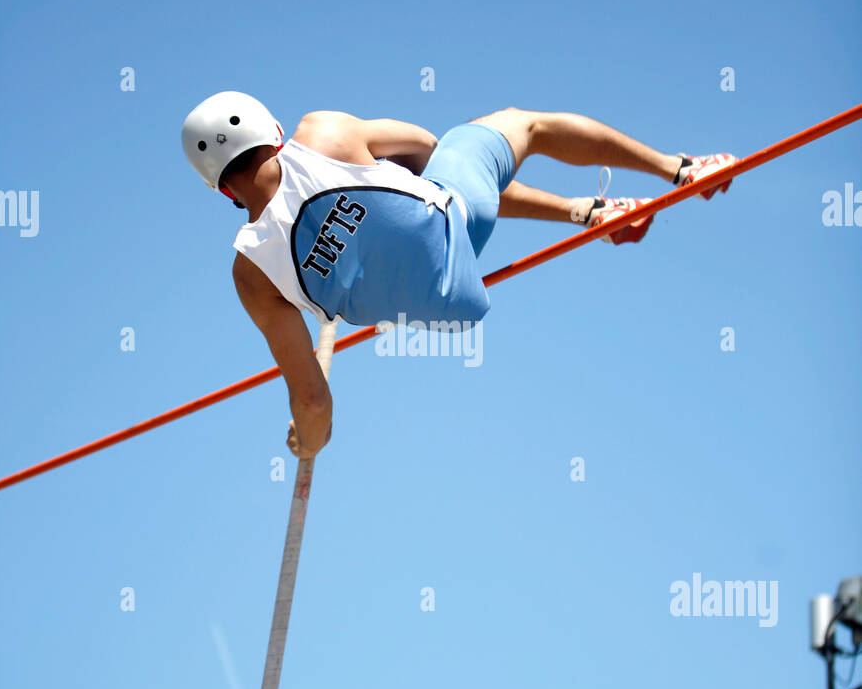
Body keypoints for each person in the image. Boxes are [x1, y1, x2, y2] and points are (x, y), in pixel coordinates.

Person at [182, 92, 735, 459]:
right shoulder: (321, 131)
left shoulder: (249, 273)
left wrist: (308, 441)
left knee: (440, 187)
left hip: (438, 309)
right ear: (271, 131)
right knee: (517, 128)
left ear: (220, 188)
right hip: (458, 224)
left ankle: (587, 212)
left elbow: (314, 404)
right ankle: (682, 169)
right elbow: (433, 149)